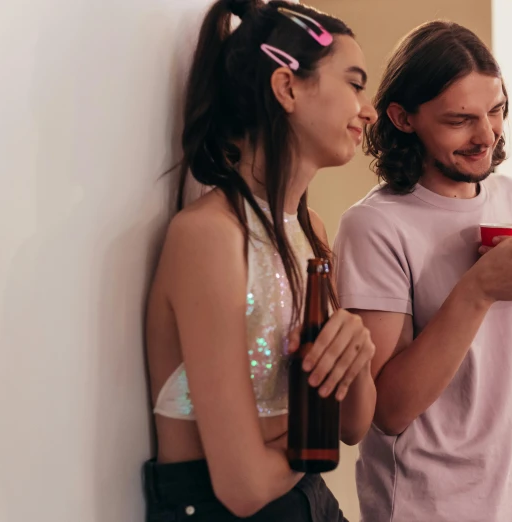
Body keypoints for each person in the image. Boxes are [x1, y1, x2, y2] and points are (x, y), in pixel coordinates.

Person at [143, 1, 378, 520]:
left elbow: (354, 425)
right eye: (355, 84)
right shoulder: (208, 236)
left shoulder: (311, 230)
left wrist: (356, 357)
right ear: (288, 88)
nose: (369, 110)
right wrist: (307, 430)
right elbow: (243, 485)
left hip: (309, 502)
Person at [333, 21, 512, 522]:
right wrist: (479, 289)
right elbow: (389, 409)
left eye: (496, 110)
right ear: (403, 118)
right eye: (460, 119)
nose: (486, 135)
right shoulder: (375, 226)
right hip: (429, 507)